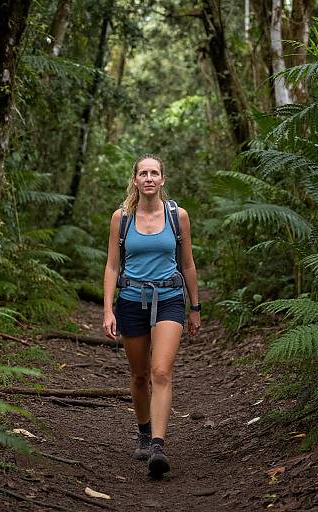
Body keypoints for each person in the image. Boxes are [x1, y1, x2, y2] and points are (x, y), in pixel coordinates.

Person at [102, 154, 201, 478]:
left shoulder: (178, 216)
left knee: (161, 371)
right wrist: (107, 310)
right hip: (131, 300)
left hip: (170, 298)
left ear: (162, 179)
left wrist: (195, 307)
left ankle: (158, 446)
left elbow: (187, 263)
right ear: (135, 180)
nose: (148, 178)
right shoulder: (122, 217)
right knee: (139, 375)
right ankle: (143, 431)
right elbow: (113, 266)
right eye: (142, 173)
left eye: (154, 173)